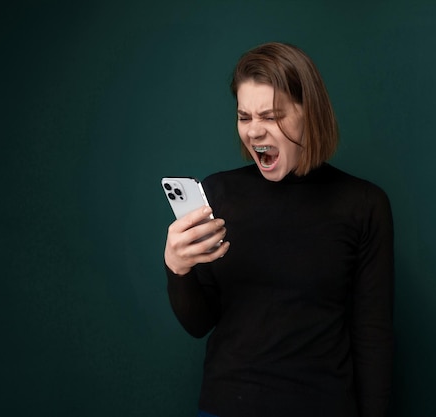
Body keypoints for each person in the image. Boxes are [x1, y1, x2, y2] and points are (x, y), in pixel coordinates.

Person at [164, 42, 394, 417]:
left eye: (270, 116)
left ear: (309, 113)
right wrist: (177, 268)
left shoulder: (364, 204)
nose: (254, 132)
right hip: (226, 407)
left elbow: (374, 336)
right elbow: (198, 323)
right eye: (244, 117)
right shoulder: (219, 194)